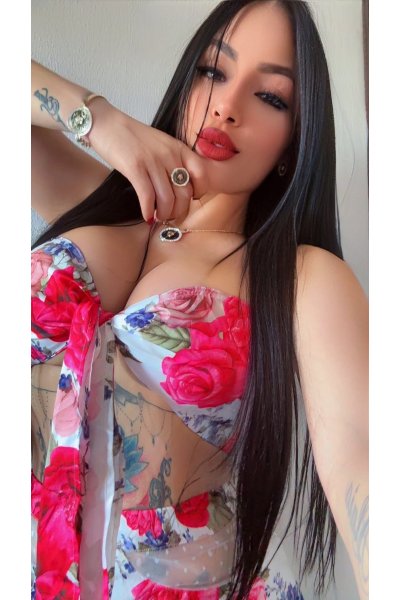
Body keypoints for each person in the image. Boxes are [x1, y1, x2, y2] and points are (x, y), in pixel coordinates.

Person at [31, 1, 368, 599]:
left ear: (294, 140)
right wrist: (101, 122)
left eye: (270, 97)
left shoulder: (301, 277)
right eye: (214, 70)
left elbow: (364, 458)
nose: (227, 106)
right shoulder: (97, 202)